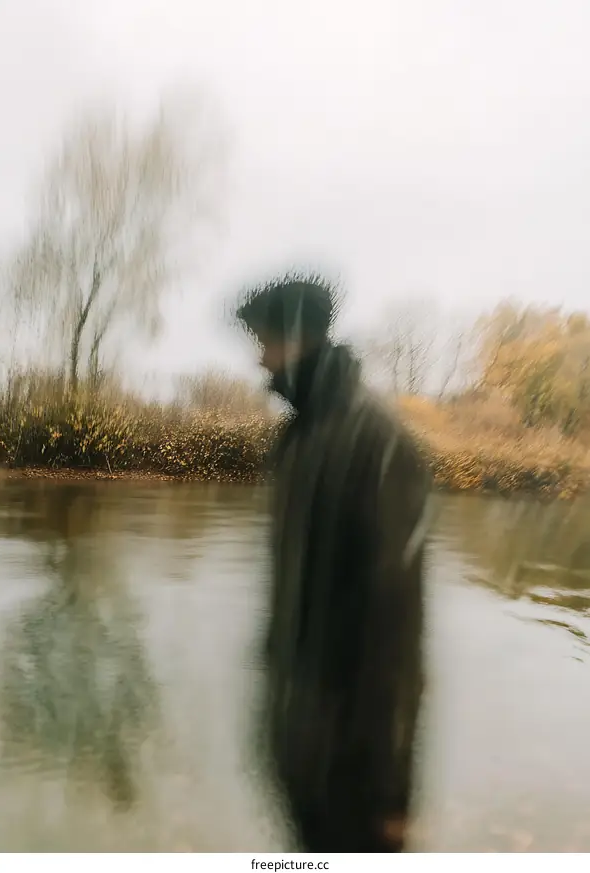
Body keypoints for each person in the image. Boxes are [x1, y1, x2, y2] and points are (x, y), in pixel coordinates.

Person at [234, 272, 431, 852]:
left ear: (298, 339)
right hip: (299, 751)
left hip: (353, 776)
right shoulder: (296, 441)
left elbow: (397, 638)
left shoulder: (379, 443)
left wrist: (393, 796)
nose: (259, 360)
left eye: (265, 342)